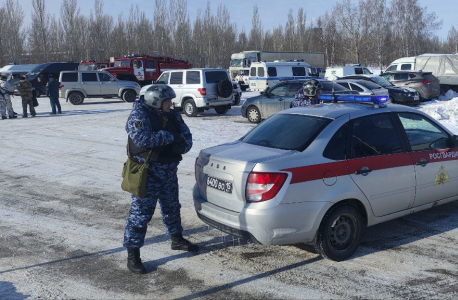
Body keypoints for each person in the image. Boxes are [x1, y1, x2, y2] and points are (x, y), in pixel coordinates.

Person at [123, 84, 198, 274]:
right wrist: (171, 137)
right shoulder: (139, 116)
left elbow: (187, 138)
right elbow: (143, 139)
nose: (171, 104)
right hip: (148, 173)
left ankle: (177, 239)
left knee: (172, 207)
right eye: (167, 101)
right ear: (156, 102)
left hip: (169, 171)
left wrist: (179, 143)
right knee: (140, 214)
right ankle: (133, 255)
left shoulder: (172, 115)